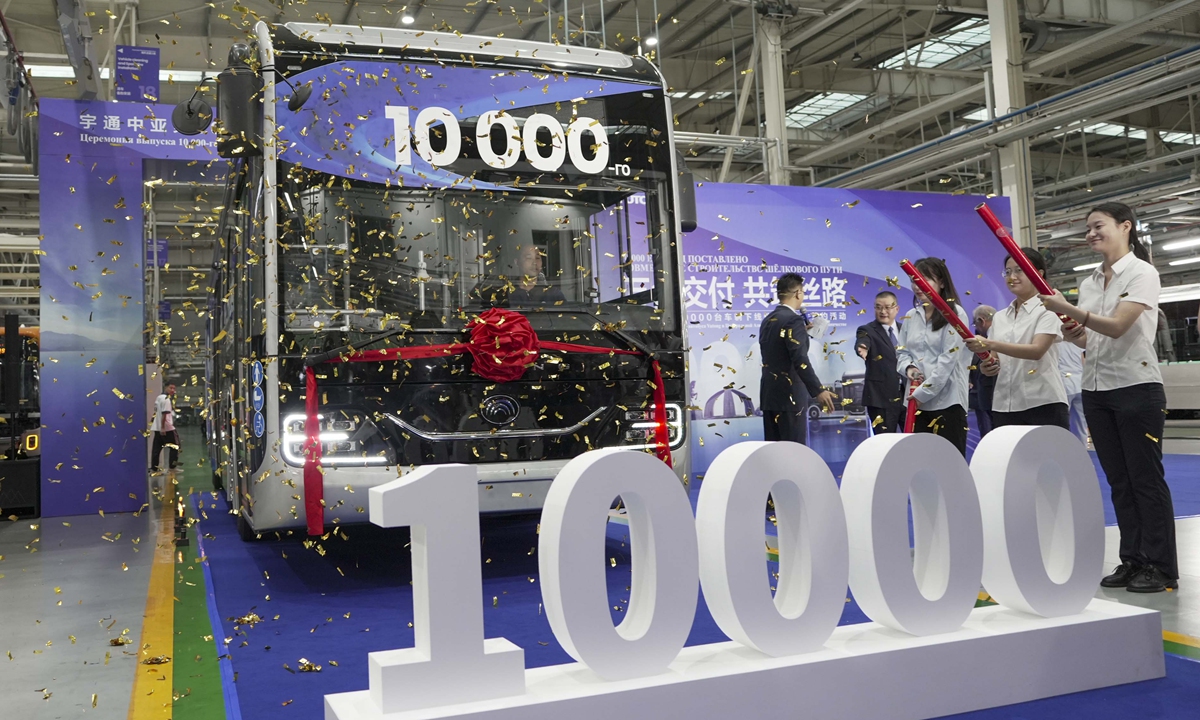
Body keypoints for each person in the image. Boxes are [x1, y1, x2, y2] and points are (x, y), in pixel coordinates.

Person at [1040, 201, 1178, 593]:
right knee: (1119, 480)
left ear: (1125, 227)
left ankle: (1161, 566)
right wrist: (1070, 328)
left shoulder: (1142, 273)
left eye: (1098, 226)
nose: (1091, 234)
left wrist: (1070, 310)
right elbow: (1090, 337)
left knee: (1145, 480)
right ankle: (1132, 560)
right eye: (1088, 229)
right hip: (1097, 389)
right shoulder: (1089, 283)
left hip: (1136, 387)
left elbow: (1118, 327)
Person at [965, 249, 1068, 430]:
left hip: (1043, 401)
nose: (1012, 276)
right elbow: (995, 359)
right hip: (1004, 404)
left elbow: (1037, 351)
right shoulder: (1000, 317)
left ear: (1038, 274)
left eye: (1019, 270)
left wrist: (989, 343)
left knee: (1049, 458)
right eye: (1008, 271)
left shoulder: (1049, 308)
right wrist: (987, 365)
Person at [896, 258, 972, 456]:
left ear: (942, 283)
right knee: (921, 467)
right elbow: (902, 352)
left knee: (949, 467)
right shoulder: (911, 316)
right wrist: (909, 369)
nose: (918, 285)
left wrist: (922, 394)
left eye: (926, 279)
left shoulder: (956, 314)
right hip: (914, 403)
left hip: (948, 403)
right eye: (914, 279)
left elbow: (947, 362)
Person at [759, 273, 837, 445]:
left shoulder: (768, 320)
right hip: (790, 397)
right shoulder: (793, 320)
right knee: (793, 452)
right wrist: (818, 389)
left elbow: (779, 352)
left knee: (774, 452)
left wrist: (803, 335)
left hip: (770, 396)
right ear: (798, 294)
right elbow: (799, 358)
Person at [855, 291, 905, 433]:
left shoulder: (906, 330)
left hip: (907, 397)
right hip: (881, 400)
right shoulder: (867, 330)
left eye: (887, 307)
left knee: (913, 442)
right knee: (885, 444)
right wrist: (862, 348)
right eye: (878, 307)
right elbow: (863, 341)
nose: (883, 311)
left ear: (897, 309)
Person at [970, 305, 996, 437]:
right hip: (986, 395)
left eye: (975, 323)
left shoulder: (990, 339)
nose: (975, 328)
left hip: (989, 396)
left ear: (981, 321)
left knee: (989, 435)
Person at [1059, 340, 1088, 445]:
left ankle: (1063, 450)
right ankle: (1082, 452)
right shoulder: (1077, 344)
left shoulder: (1056, 344)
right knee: (1081, 423)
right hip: (1080, 382)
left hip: (1064, 382)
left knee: (1063, 422)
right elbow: (1084, 362)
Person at [151, 381, 179, 474]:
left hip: (157, 427)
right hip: (167, 428)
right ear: (165, 388)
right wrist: (163, 427)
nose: (173, 390)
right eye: (171, 388)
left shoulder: (159, 398)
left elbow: (156, 412)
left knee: (157, 449)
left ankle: (154, 469)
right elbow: (164, 414)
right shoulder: (166, 399)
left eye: (174, 388)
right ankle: (172, 467)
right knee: (175, 446)